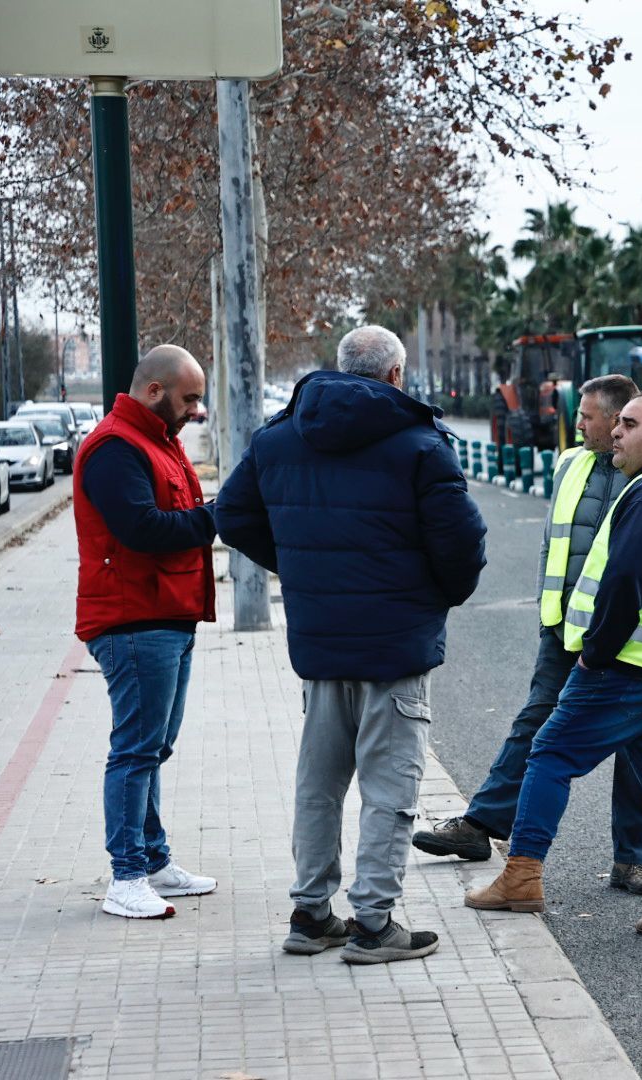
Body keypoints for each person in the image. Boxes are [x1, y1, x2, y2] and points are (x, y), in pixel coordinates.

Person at [215, 326, 487, 964]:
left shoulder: (280, 437)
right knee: (391, 788)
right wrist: (433, 594)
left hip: (320, 642)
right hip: (397, 646)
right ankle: (373, 923)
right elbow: (460, 547)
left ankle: (311, 914)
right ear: (395, 376)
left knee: (319, 781)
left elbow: (231, 514)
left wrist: (301, 567)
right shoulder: (421, 445)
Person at [416, 375, 642, 896]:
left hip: (621, 648)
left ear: (634, 427)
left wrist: (629, 634)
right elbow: (555, 545)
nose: (582, 425)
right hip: (572, 631)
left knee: (564, 754)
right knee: (546, 730)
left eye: (598, 418)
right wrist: (554, 615)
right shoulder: (572, 465)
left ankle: (595, 866)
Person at [75, 345, 218, 920]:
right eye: (189, 399)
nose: (195, 411)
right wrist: (218, 515)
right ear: (154, 391)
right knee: (135, 751)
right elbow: (142, 530)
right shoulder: (115, 448)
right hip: (134, 621)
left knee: (153, 748)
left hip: (166, 616)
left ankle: (154, 861)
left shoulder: (158, 442)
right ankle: (126, 876)